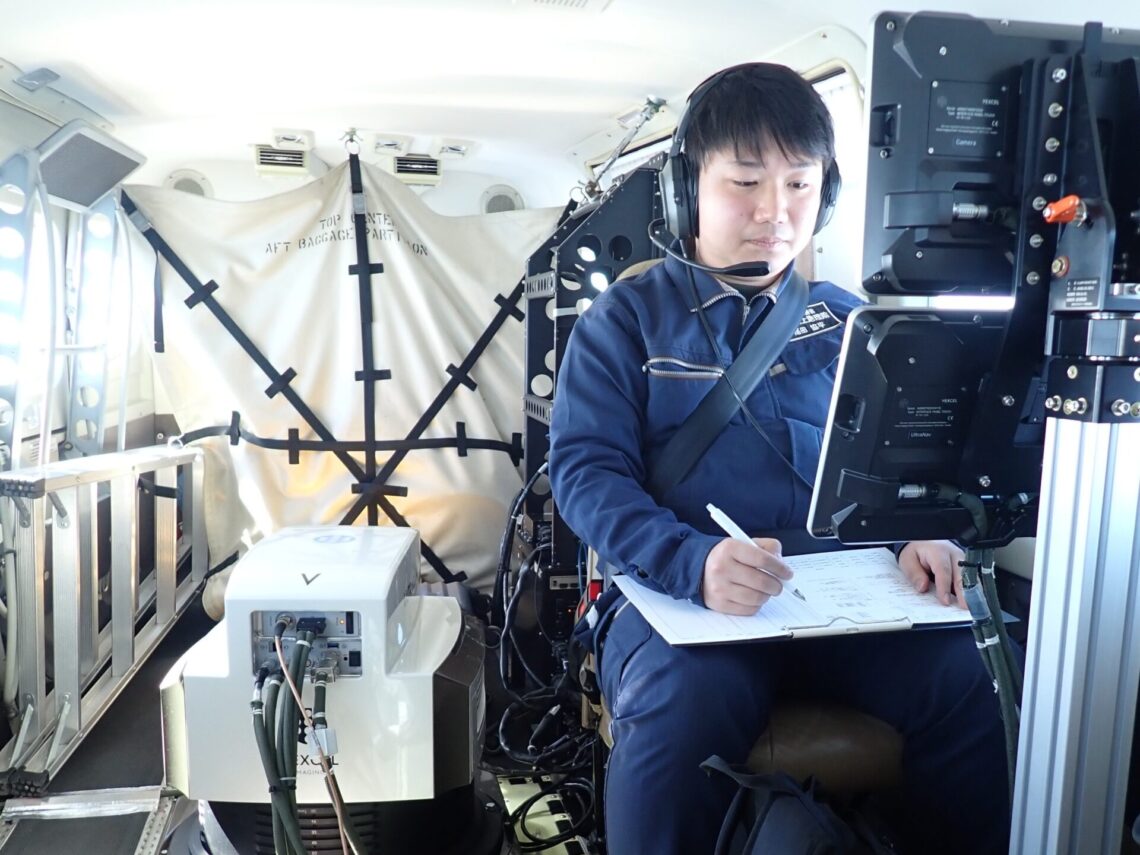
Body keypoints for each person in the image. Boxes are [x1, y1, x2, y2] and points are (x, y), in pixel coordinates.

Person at [548, 63, 1012, 854]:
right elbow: (586, 475)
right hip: (682, 599)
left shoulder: (854, 324)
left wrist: (919, 530)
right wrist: (692, 561)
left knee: (978, 673)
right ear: (686, 189)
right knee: (681, 703)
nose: (776, 212)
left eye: (800, 184)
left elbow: (904, 465)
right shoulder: (623, 323)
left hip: (845, 606)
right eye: (745, 182)